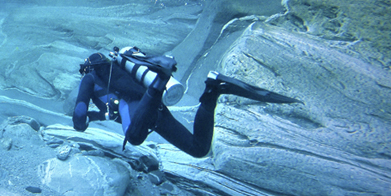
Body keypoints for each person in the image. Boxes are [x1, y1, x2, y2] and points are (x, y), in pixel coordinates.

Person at [72, 48, 300, 158]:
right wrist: (97, 116)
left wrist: (80, 125)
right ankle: (212, 90)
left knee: (133, 137)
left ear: (88, 69)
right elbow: (108, 112)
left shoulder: (90, 78)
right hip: (155, 108)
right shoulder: (123, 71)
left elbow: (79, 113)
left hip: (140, 107)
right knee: (198, 148)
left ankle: (161, 80)